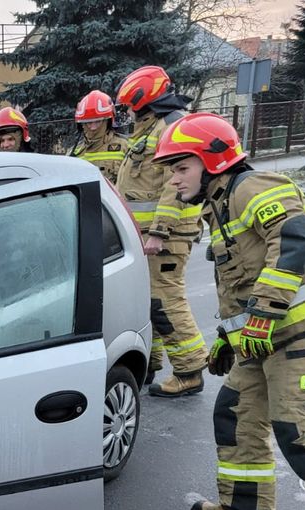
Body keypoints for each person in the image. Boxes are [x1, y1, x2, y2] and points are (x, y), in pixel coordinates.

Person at [153, 112, 305, 510]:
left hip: (295, 335)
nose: (173, 181)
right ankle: (246, 507)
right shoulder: (219, 205)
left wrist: (263, 314)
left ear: (213, 160)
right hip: (260, 340)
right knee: (235, 413)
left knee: (299, 432)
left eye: (181, 168)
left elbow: (295, 239)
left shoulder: (253, 187)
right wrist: (229, 334)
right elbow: (244, 279)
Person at [114, 65, 208, 397]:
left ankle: (189, 371)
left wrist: (159, 232)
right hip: (145, 234)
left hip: (165, 236)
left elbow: (174, 186)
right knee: (149, 301)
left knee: (166, 301)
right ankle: (150, 364)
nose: (127, 111)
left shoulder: (171, 127)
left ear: (143, 100)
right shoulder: (153, 127)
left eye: (129, 105)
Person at [69, 90, 127, 183]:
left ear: (108, 121)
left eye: (98, 121)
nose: (92, 128)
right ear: (82, 125)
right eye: (88, 122)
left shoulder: (125, 147)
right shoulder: (74, 153)